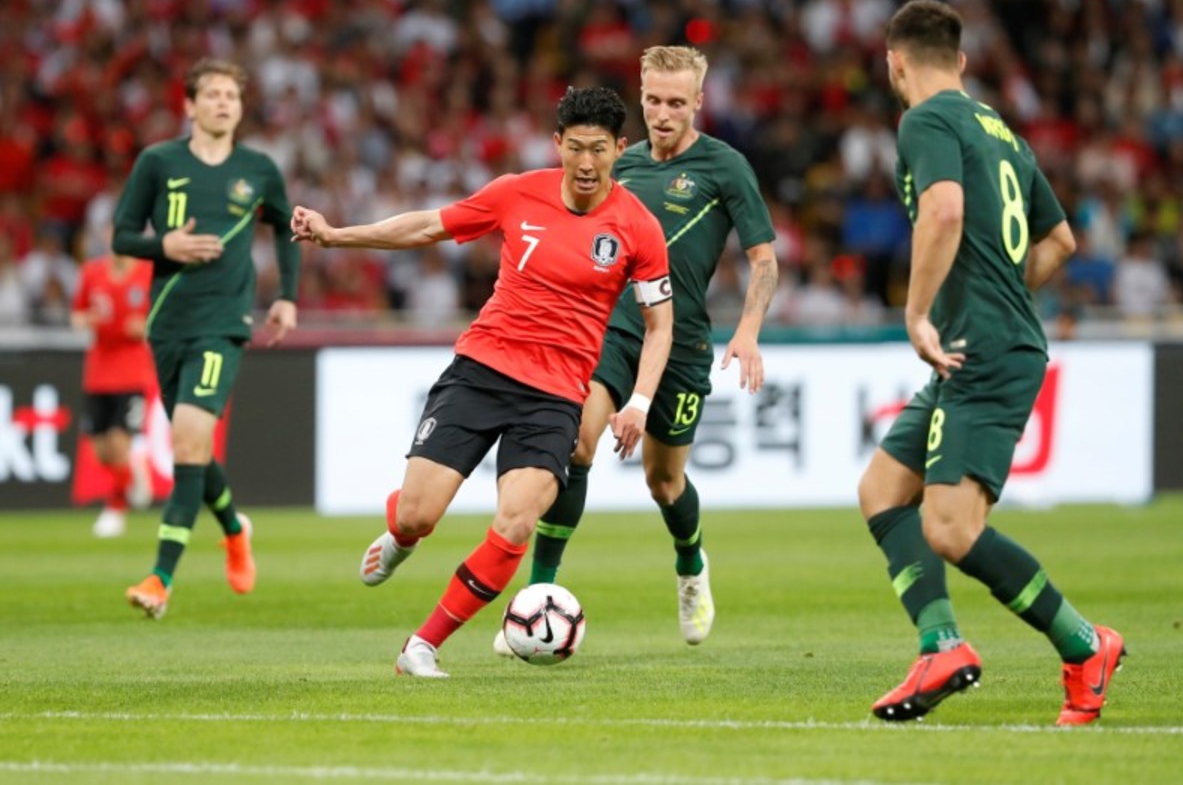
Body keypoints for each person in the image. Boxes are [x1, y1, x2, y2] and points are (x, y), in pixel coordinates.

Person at [292, 86, 673, 678]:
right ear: (557, 144)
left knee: (517, 521)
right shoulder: (516, 192)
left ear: (620, 149)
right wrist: (336, 234)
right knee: (417, 515)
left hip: (555, 395)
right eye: (576, 148)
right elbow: (427, 227)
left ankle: (422, 645)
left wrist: (640, 401)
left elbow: (659, 324)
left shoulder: (638, 227)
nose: (587, 162)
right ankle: (400, 537)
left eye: (599, 149)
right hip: (481, 372)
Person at [858, 0, 1124, 726]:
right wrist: (1001, 298)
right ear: (963, 61)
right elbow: (1060, 241)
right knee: (884, 488)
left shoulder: (924, 120)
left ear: (895, 63)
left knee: (949, 527)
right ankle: (941, 643)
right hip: (985, 342)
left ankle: (1085, 644)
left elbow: (943, 211)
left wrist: (917, 313)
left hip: (983, 348)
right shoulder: (1002, 131)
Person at [495, 45, 778, 656]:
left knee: (664, 482)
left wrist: (749, 328)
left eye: (676, 102)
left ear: (698, 101)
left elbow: (764, 260)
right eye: (653, 100)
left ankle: (690, 564)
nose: (663, 113)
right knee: (576, 445)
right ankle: (537, 596)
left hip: (682, 342)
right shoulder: (615, 164)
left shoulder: (725, 167)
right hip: (612, 330)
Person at [112, 58, 299, 619]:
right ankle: (235, 528)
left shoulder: (258, 169)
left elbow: (285, 227)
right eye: (212, 94)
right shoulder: (158, 162)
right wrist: (163, 246)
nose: (223, 103)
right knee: (192, 444)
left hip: (223, 322)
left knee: (189, 442)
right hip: (168, 322)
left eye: (231, 96)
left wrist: (287, 295)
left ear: (240, 109)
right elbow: (122, 235)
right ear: (189, 105)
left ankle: (161, 577)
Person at [70, 232, 155, 537]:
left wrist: (145, 327)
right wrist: (85, 320)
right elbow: (76, 315)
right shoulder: (92, 272)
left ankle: (115, 510)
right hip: (98, 372)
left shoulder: (148, 273)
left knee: (118, 442)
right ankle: (133, 468)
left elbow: (165, 316)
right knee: (100, 451)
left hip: (132, 372)